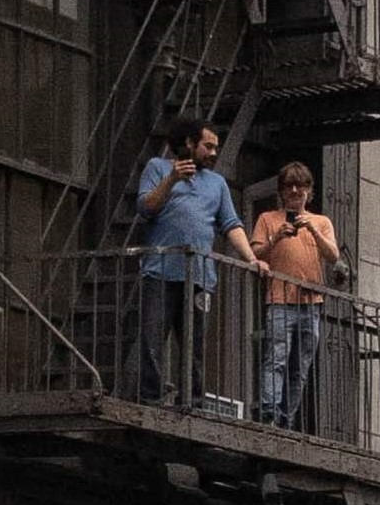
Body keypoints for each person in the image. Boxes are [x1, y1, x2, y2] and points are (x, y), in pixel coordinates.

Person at [130, 122, 239, 406]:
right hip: (160, 271)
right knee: (153, 338)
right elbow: (145, 208)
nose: (214, 152)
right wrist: (172, 180)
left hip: (200, 276)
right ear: (190, 143)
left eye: (216, 146)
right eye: (209, 146)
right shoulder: (157, 167)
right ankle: (150, 397)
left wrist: (253, 259)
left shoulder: (217, 183)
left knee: (195, 343)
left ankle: (192, 400)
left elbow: (230, 224)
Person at [243, 162, 342, 430]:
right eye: (289, 186)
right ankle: (268, 413)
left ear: (310, 191)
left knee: (300, 367)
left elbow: (333, 256)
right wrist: (276, 237)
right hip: (279, 300)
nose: (295, 191)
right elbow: (255, 254)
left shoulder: (321, 222)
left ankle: (286, 419)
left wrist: (311, 228)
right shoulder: (267, 219)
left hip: (311, 304)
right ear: (281, 191)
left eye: (301, 186)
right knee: (275, 360)